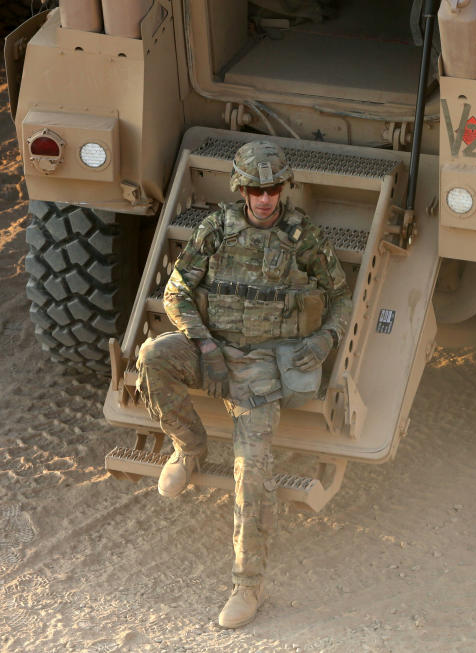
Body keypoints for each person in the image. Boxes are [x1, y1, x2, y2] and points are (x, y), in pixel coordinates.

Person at [135, 141, 352, 628]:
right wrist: (204, 346)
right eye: (255, 189)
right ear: (241, 189)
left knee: (251, 470)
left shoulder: (304, 238)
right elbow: (177, 291)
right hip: (210, 345)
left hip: (261, 364)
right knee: (152, 356)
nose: (265, 199)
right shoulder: (216, 229)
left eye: (273, 188)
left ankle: (246, 585)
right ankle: (188, 447)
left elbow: (341, 296)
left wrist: (325, 338)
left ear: (283, 189)